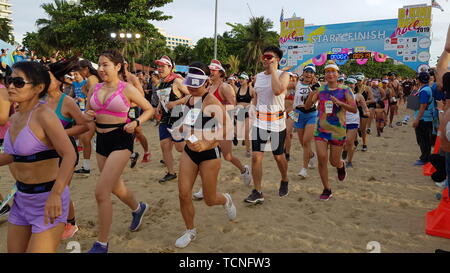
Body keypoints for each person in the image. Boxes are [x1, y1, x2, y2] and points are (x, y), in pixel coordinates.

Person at [1, 61, 76, 252]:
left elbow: (69, 155)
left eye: (18, 82)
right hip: (21, 199)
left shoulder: (44, 115)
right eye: (9, 80)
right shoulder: (15, 118)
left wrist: (56, 193)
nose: (10, 86)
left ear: (38, 88)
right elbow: (13, 156)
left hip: (48, 199)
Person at [84, 50, 154, 253]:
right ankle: (138, 208)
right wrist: (88, 115)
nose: (101, 68)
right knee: (115, 187)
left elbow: (149, 109)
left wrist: (137, 122)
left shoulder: (127, 89)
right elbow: (89, 114)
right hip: (102, 140)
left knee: (101, 191)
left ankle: (102, 244)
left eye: (105, 64)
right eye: (99, 64)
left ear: (117, 67)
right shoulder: (95, 88)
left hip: (121, 138)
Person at [174, 62, 236, 248]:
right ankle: (190, 230)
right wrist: (181, 129)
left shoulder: (211, 101)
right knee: (184, 194)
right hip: (189, 152)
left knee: (210, 200)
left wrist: (207, 142)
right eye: (190, 84)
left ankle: (225, 199)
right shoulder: (188, 99)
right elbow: (188, 122)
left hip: (209, 154)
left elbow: (228, 128)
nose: (192, 88)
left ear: (205, 83)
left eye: (196, 84)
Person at [46, 57, 90, 240]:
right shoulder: (37, 101)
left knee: (61, 188)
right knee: (49, 188)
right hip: (44, 152)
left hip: (65, 151)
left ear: (58, 81)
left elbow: (83, 126)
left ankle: (70, 223)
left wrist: (61, 134)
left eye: (47, 78)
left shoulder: (67, 102)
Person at [304, 60, 357, 201]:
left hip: (338, 131)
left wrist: (340, 103)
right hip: (321, 130)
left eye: (333, 71)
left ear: (338, 74)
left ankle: (341, 165)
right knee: (322, 159)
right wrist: (312, 94)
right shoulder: (320, 90)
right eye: (328, 71)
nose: (330, 74)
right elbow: (307, 106)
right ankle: (327, 189)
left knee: (333, 162)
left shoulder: (345, 90)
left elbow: (354, 108)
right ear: (325, 74)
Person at [244, 46, 290, 203]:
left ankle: (284, 179)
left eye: (269, 57)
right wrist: (253, 108)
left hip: (277, 123)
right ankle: (257, 191)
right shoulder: (258, 76)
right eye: (264, 57)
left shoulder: (284, 75)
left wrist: (273, 71)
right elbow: (257, 95)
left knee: (278, 157)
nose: (265, 60)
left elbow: (277, 91)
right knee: (256, 157)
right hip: (260, 122)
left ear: (277, 59)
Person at [155, 55, 188, 183]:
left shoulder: (177, 81)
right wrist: (158, 106)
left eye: (163, 66)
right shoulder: (161, 82)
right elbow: (163, 98)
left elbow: (191, 95)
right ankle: (171, 172)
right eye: (158, 66)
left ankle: (194, 162)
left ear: (171, 67)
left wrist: (176, 103)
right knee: (164, 145)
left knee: (180, 147)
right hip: (165, 117)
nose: (160, 69)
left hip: (177, 116)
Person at [75, 59, 102, 175]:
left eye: (80, 71)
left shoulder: (91, 79)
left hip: (94, 113)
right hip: (95, 112)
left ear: (85, 69)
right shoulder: (92, 79)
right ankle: (86, 167)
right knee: (86, 139)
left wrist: (89, 111)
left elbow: (94, 98)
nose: (80, 73)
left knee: (86, 139)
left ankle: (86, 167)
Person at [121, 60, 151, 165]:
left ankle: (146, 152)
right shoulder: (115, 78)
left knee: (138, 132)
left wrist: (131, 100)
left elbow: (141, 94)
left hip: (132, 109)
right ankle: (131, 154)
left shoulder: (132, 77)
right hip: (120, 110)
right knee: (122, 132)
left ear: (126, 65)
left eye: (123, 64)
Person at [293, 64, 319, 179]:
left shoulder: (317, 86)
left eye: (311, 72)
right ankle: (312, 155)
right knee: (302, 143)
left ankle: (304, 169)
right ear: (303, 73)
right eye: (307, 71)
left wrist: (314, 88)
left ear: (314, 75)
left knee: (306, 141)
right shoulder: (296, 84)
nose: (309, 74)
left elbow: (313, 101)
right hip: (298, 114)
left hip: (311, 114)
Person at [343, 78, 369, 167]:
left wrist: (367, 112)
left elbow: (365, 107)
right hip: (341, 121)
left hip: (353, 120)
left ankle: (349, 161)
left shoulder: (358, 96)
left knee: (350, 141)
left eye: (352, 83)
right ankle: (345, 150)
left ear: (355, 85)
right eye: (348, 83)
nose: (350, 85)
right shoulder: (340, 95)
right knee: (343, 142)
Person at [413, 71, 435, 166]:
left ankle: (425, 158)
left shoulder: (424, 91)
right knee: (424, 139)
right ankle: (425, 157)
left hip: (423, 119)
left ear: (419, 80)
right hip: (425, 118)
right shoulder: (425, 89)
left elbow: (423, 106)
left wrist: (417, 119)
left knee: (423, 140)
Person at [235, 72, 255, 158]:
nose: (240, 80)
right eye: (240, 78)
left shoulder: (251, 89)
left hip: (248, 112)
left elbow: (255, 101)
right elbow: (235, 102)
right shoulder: (237, 89)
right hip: (239, 112)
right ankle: (240, 139)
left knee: (246, 132)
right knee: (235, 132)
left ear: (247, 80)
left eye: (242, 78)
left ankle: (247, 150)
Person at [355, 75, 373, 152]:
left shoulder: (367, 88)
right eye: (357, 80)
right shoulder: (353, 88)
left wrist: (363, 103)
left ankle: (364, 144)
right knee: (355, 127)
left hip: (363, 109)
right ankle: (355, 142)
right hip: (355, 109)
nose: (358, 81)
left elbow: (372, 99)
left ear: (363, 80)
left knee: (363, 129)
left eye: (360, 80)